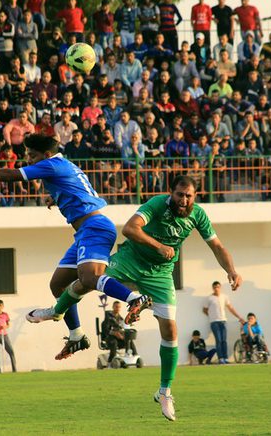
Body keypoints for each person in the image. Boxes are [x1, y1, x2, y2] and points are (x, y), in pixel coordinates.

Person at [56, 175, 242, 421]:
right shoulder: (156, 204)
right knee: (88, 281)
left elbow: (217, 246)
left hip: (161, 274)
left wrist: (231, 270)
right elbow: (130, 229)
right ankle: (56, 312)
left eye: (189, 196)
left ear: (195, 196)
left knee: (171, 331)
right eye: (179, 195)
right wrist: (158, 246)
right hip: (131, 260)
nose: (184, 200)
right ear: (170, 193)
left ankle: (164, 391)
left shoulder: (198, 215)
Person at [0, 134, 147, 361]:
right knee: (58, 284)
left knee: (89, 277)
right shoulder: (63, 164)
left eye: (32, 156)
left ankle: (134, 299)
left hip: (95, 227)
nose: (29, 159)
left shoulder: (52, 165)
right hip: (84, 231)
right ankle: (76, 335)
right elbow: (80, 189)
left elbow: (14, 175)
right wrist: (60, 198)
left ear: (46, 155)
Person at [202, 280, 245, 364]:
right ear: (213, 288)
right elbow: (204, 309)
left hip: (223, 321)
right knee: (218, 340)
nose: (216, 289)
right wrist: (211, 316)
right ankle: (220, 358)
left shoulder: (224, 297)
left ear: (220, 288)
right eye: (214, 287)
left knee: (224, 340)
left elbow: (230, 308)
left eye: (218, 287)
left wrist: (239, 317)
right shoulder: (209, 298)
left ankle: (225, 358)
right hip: (214, 322)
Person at [101, 301, 138, 367]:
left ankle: (135, 357)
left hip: (119, 338)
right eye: (116, 307)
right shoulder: (108, 317)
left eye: (119, 307)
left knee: (129, 341)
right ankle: (110, 363)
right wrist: (115, 333)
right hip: (109, 338)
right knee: (114, 343)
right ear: (113, 307)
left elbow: (123, 328)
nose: (118, 308)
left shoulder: (121, 319)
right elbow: (105, 330)